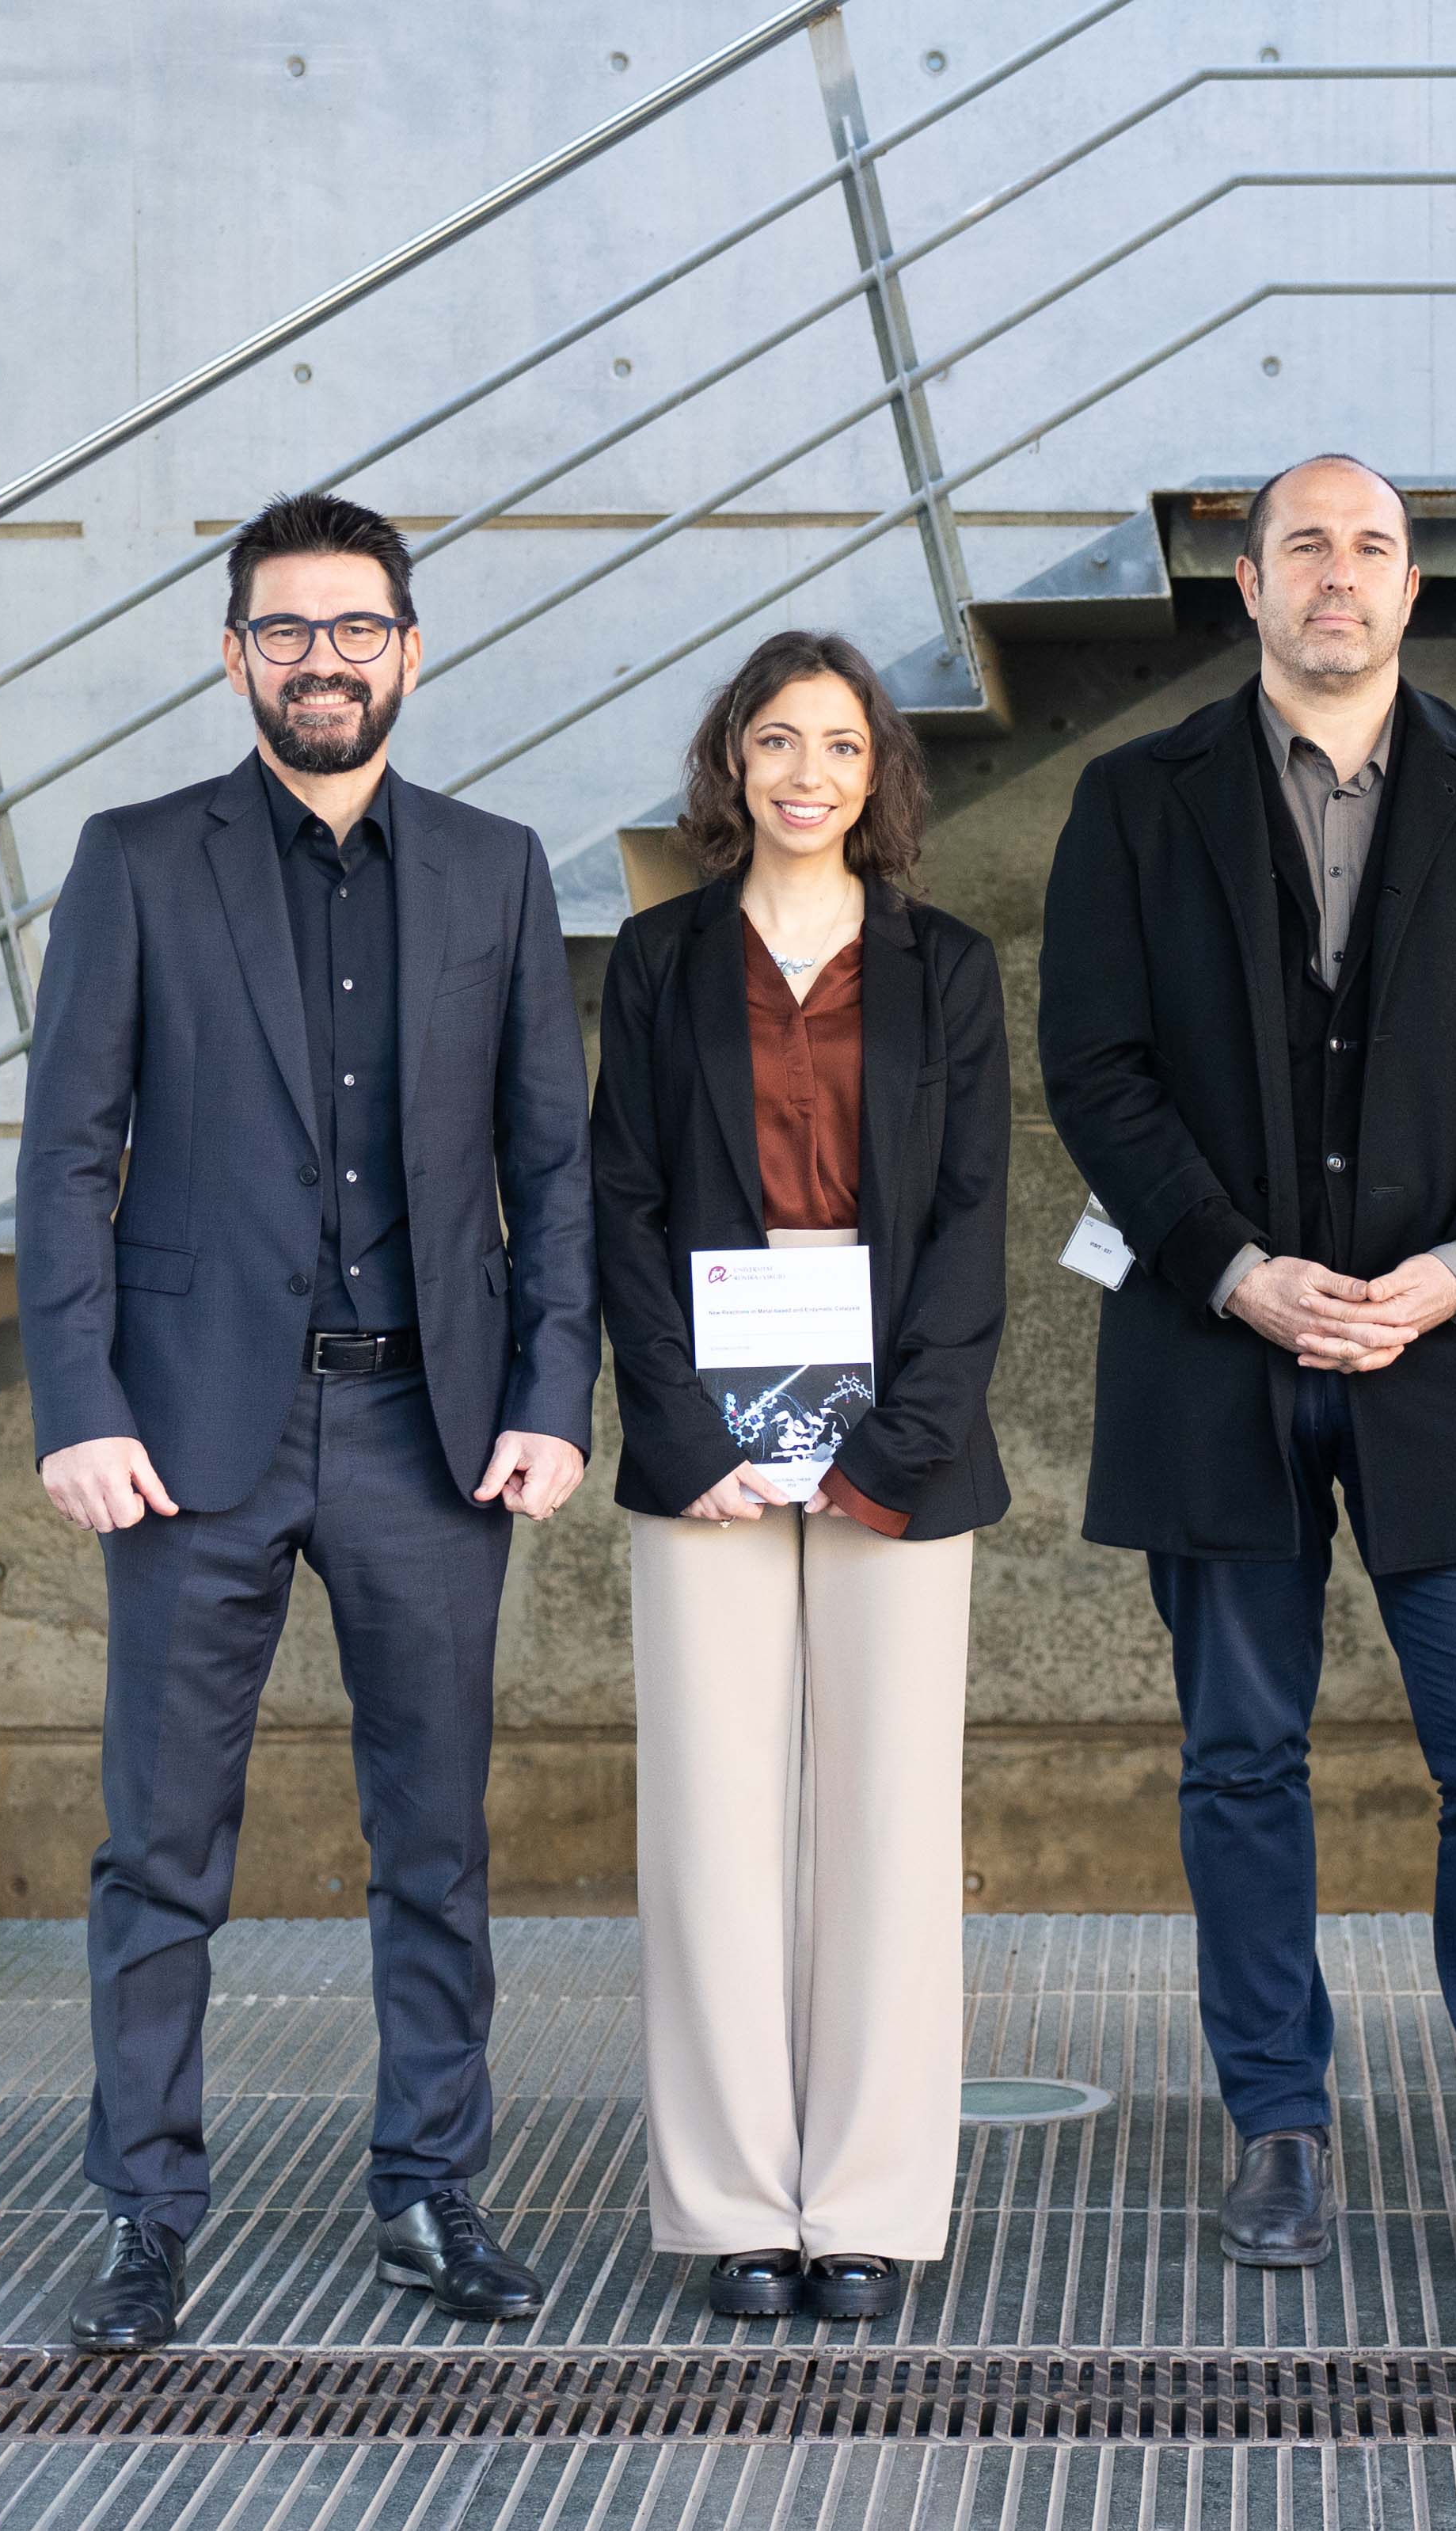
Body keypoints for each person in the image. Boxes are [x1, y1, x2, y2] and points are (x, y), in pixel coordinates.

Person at [1035, 453, 1456, 2289]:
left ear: (1411, 585)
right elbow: (1096, 1062)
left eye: (1372, 548)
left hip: (1455, 1360)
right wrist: (1234, 1268)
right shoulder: (1137, 798)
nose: (1340, 577)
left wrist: (1454, 1273)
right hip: (1223, 1353)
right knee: (1239, 1760)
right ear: (1250, 582)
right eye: (1307, 547)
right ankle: (1278, 2126)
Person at [18, 491, 596, 2354]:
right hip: (188, 1441)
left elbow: (551, 1167)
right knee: (162, 1848)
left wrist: (551, 1395)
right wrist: (77, 1402)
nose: (324, 659)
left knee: (433, 1837)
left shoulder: (498, 868)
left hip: (432, 1433)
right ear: (234, 653)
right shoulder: (134, 859)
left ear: (410, 649)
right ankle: (143, 2211)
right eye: (287, 630)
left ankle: (432, 2190)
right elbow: (63, 1160)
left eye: (357, 628)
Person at [590, 629, 1008, 2325]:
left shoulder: (952, 962)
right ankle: (733, 2203)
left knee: (890, 1827)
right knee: (710, 1820)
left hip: (899, 1426)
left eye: (840, 742)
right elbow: (617, 1197)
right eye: (776, 740)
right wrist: (689, 1430)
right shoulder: (658, 955)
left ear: (878, 775)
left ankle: (868, 2203)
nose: (807, 771)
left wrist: (890, 1432)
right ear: (731, 766)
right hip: (705, 1426)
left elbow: (975, 1216)